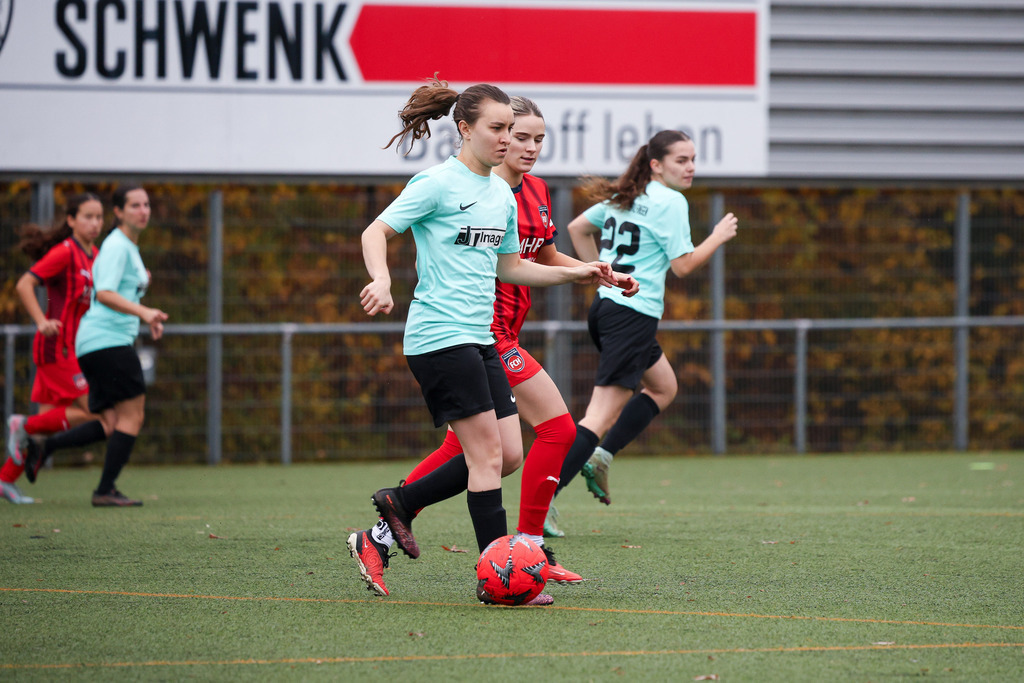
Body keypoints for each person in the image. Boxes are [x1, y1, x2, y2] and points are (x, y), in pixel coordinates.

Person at [347, 96, 638, 597]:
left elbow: (513, 267)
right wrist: (382, 279)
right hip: (440, 337)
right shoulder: (436, 183)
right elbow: (376, 231)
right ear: (464, 128)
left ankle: (399, 502)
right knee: (484, 460)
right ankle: (499, 578)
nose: (508, 139)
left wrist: (582, 273)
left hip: (481, 339)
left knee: (507, 456)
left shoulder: (500, 195)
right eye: (499, 128)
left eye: (516, 131)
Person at [552, 129, 739, 521]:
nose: (691, 168)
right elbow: (683, 265)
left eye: (693, 159)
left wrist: (600, 275)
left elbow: (575, 229)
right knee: (599, 416)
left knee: (664, 386)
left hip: (607, 310)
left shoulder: (627, 194)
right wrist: (718, 237)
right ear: (656, 165)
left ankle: (600, 457)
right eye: (681, 160)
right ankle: (543, 503)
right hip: (632, 316)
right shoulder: (670, 201)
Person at [24, 185, 168, 506]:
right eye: (134, 205)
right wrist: (144, 312)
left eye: (146, 205)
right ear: (118, 212)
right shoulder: (118, 245)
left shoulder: (124, 246)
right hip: (109, 343)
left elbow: (118, 290)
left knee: (109, 422)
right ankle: (104, 490)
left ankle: (44, 447)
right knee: (133, 417)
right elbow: (103, 293)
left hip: (94, 343)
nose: (143, 211)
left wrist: (146, 311)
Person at [3, 194, 106, 504]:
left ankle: (5, 479)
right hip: (56, 348)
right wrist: (40, 320)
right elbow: (25, 283)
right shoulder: (64, 252)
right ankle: (22, 423)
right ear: (71, 220)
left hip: (74, 348)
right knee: (94, 410)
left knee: (47, 429)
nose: (95, 223)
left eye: (99, 217)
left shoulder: (96, 255)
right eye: (87, 216)